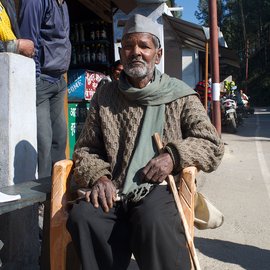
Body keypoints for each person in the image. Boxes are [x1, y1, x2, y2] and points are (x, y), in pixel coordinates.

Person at [67, 14, 224, 270]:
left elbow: (211, 144)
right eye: (129, 46)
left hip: (158, 188)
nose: (135, 52)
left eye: (144, 46)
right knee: (84, 216)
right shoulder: (104, 95)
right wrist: (99, 177)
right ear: (121, 51)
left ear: (158, 55)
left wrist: (174, 155)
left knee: (154, 221)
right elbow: (86, 149)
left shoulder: (180, 95)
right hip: (114, 189)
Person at [19, 0, 71, 178]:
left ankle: (59, 197)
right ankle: (41, 200)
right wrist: (34, 78)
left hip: (58, 81)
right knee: (44, 144)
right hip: (41, 81)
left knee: (60, 141)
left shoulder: (62, 4)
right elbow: (28, 43)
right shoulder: (35, 2)